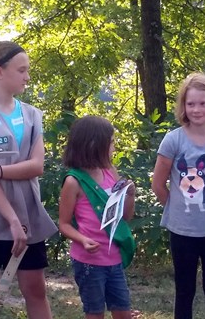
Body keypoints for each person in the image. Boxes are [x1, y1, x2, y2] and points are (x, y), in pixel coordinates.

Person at [0, 41, 57, 319]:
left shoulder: (32, 115)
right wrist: (11, 220)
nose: (27, 76)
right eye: (22, 70)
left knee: (35, 289)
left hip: (28, 215)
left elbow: (36, 166)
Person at [151, 72, 205, 319]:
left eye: (203, 103)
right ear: (183, 106)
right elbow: (158, 184)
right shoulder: (172, 140)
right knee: (184, 290)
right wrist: (180, 205)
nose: (196, 109)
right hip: (182, 231)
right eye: (191, 104)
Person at [58, 115, 136, 319]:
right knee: (94, 313)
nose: (114, 148)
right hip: (88, 261)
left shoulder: (110, 171)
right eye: (111, 143)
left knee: (123, 311)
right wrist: (82, 240)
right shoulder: (73, 182)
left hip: (114, 257)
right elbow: (64, 224)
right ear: (94, 145)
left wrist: (130, 195)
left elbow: (125, 217)